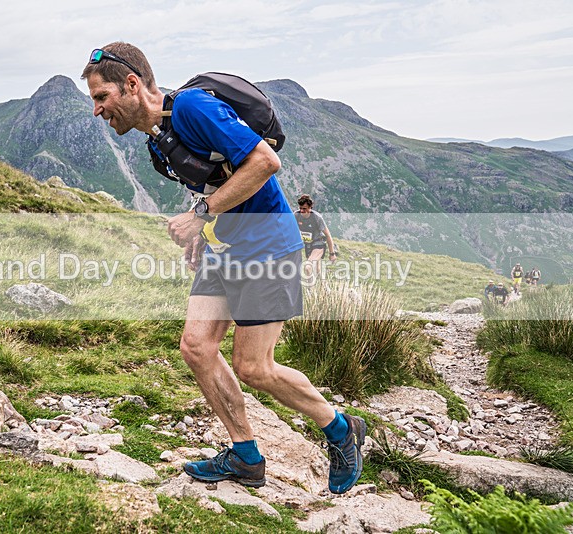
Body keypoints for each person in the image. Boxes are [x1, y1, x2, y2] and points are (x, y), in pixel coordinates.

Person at [82, 42, 366, 494]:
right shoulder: (158, 144)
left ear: (131, 85)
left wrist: (201, 214)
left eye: (101, 98)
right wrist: (202, 232)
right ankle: (245, 457)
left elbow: (264, 162)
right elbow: (214, 182)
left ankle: (340, 429)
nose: (97, 110)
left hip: (269, 247)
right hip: (223, 250)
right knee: (197, 347)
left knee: (254, 367)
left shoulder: (193, 107)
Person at [295, 194, 336, 281]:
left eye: (304, 209)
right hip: (308, 244)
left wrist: (332, 254)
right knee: (318, 271)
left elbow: (328, 235)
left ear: (310, 208)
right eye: (300, 208)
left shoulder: (317, 217)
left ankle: (311, 289)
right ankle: (324, 290)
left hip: (319, 244)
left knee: (307, 267)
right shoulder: (296, 215)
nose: (302, 211)